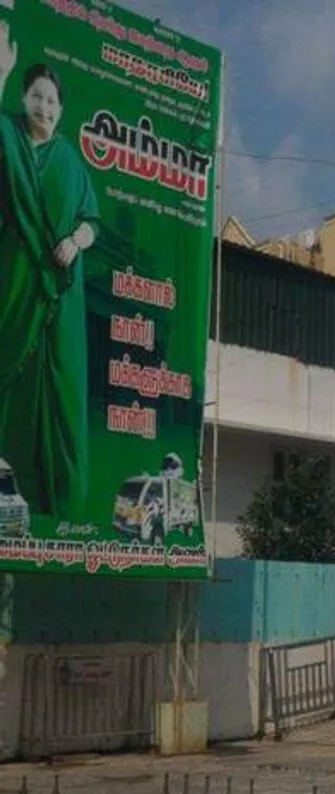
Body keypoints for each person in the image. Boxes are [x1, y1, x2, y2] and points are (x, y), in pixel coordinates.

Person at [0, 31, 100, 522]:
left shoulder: (72, 164)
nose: (44, 106)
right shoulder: (9, 139)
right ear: (24, 99)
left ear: (62, 109)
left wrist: (74, 240)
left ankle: (64, 509)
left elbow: (92, 223)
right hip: (15, 286)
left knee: (61, 393)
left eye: (52, 100)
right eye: (36, 96)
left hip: (62, 296)